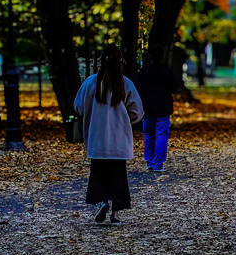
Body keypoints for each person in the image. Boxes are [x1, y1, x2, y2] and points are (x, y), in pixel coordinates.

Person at [73, 44, 144, 225]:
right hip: (118, 140)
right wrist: (125, 120)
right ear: (120, 60)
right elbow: (137, 112)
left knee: (98, 175)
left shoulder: (90, 83)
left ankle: (102, 201)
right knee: (118, 178)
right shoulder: (125, 83)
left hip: (97, 140)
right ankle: (114, 214)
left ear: (100, 60)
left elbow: (78, 106)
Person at [135, 44, 179, 172]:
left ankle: (149, 161)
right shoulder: (167, 72)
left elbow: (137, 87)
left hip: (147, 107)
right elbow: (175, 87)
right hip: (163, 107)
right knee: (161, 135)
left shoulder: (144, 72)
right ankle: (158, 163)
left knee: (148, 134)